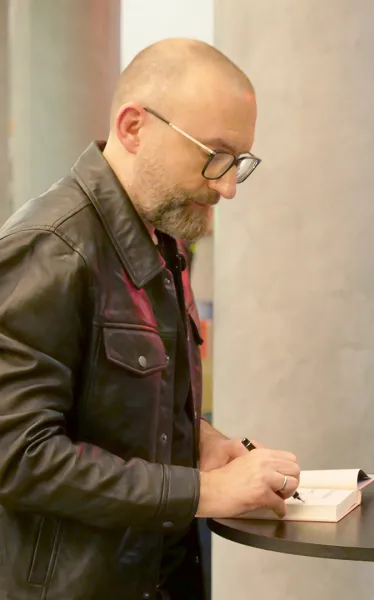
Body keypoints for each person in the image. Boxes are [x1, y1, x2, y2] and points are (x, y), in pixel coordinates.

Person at [0, 39, 302, 600]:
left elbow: (111, 411)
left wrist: (199, 442)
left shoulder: (162, 235)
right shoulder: (52, 247)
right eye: (214, 155)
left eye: (239, 162)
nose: (228, 186)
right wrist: (203, 493)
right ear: (134, 127)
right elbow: (19, 457)